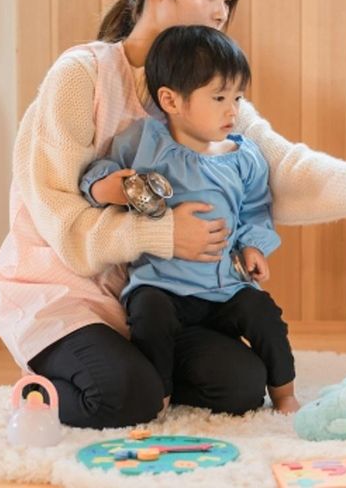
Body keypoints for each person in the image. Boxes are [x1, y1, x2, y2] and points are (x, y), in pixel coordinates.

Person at [0, 0, 346, 429]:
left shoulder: (210, 96)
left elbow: (279, 165)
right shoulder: (81, 75)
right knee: (125, 397)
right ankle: (44, 391)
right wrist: (164, 234)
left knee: (241, 386)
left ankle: (142, 372)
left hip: (155, 295)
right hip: (63, 291)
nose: (221, 11)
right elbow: (60, 218)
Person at [80, 25, 301, 414]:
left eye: (237, 97)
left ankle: (285, 394)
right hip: (161, 285)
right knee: (149, 312)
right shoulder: (145, 142)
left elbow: (255, 209)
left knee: (263, 313)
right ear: (170, 100)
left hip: (223, 287)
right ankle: (158, 395)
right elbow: (99, 173)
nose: (232, 110)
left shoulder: (243, 157)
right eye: (219, 98)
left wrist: (253, 246)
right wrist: (104, 188)